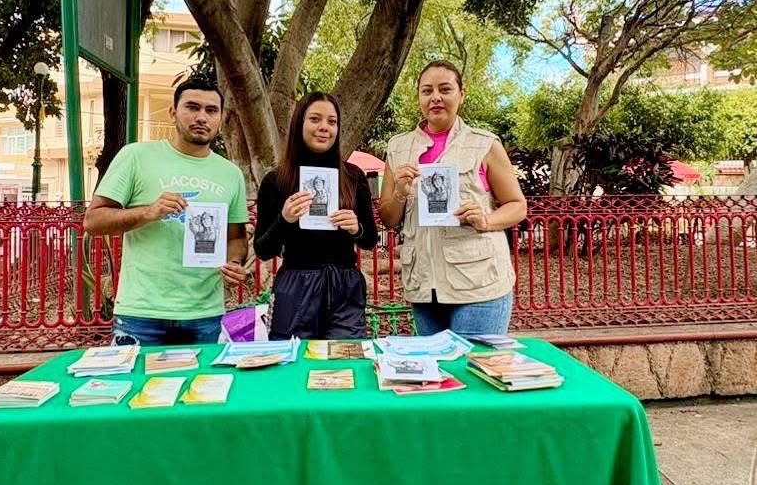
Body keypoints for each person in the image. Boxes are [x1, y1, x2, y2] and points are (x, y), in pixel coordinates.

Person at [84, 77, 249, 346]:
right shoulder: (136, 156)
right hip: (142, 312)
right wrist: (148, 212)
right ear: (173, 112)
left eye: (211, 110)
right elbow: (93, 221)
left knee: (204, 376)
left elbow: (236, 237)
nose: (201, 117)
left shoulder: (231, 174)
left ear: (220, 119)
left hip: (205, 314)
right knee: (137, 376)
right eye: (192, 107)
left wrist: (234, 264)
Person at [379, 60, 528, 336]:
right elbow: (388, 218)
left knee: (473, 363)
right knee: (437, 365)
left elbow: (517, 206)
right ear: (418, 97)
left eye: (445, 89)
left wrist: (485, 220)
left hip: (479, 285)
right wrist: (400, 191)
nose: (435, 97)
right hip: (424, 288)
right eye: (427, 91)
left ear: (462, 94)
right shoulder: (398, 148)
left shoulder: (484, 144)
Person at [254, 92, 379, 339]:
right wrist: (284, 220)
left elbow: (370, 240)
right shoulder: (276, 180)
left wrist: (357, 228)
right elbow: (263, 250)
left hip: (344, 285)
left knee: (345, 357)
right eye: (315, 119)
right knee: (295, 358)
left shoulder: (353, 177)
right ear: (299, 123)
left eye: (332, 122)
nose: (324, 127)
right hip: (296, 284)